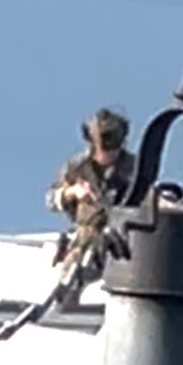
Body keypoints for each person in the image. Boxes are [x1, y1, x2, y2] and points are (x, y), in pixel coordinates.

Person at [45, 107, 136, 288]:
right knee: (67, 285)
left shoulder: (134, 168)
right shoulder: (78, 166)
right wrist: (72, 192)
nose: (107, 155)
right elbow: (50, 199)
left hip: (122, 244)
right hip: (84, 241)